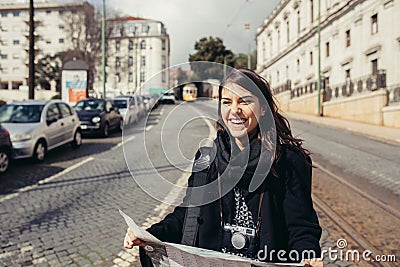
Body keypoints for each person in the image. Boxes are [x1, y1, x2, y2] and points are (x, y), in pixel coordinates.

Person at [124, 68, 323, 267]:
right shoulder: (206, 158)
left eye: (244, 101)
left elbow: (301, 227)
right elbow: (186, 215)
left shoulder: (288, 161)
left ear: (263, 108)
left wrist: (307, 256)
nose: (234, 110)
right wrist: (149, 234)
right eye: (227, 102)